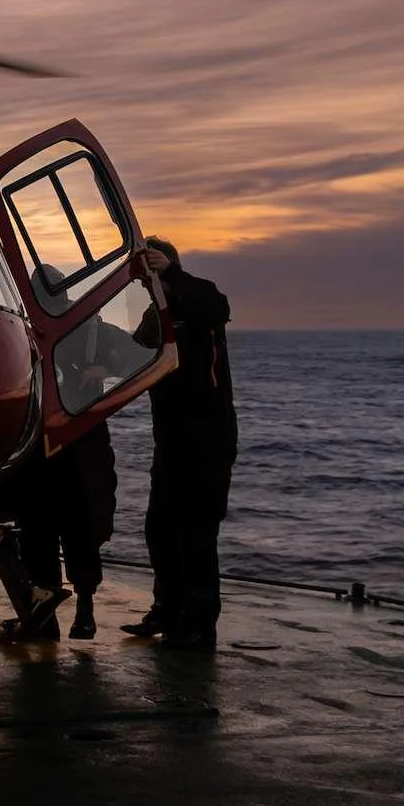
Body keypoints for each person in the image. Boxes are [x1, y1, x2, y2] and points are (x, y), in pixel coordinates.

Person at [0, 265, 119, 640]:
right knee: (39, 534)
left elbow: (131, 355)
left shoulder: (89, 328)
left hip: (78, 448)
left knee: (78, 531)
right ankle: (49, 615)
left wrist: (103, 368)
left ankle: (83, 610)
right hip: (39, 450)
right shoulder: (25, 327)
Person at [123, 236, 237, 650]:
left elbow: (218, 305)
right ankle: (166, 611)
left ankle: (199, 624)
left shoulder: (200, 304)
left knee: (197, 534)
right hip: (170, 443)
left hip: (208, 442)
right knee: (161, 530)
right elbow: (129, 356)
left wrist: (171, 270)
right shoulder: (159, 318)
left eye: (153, 269)